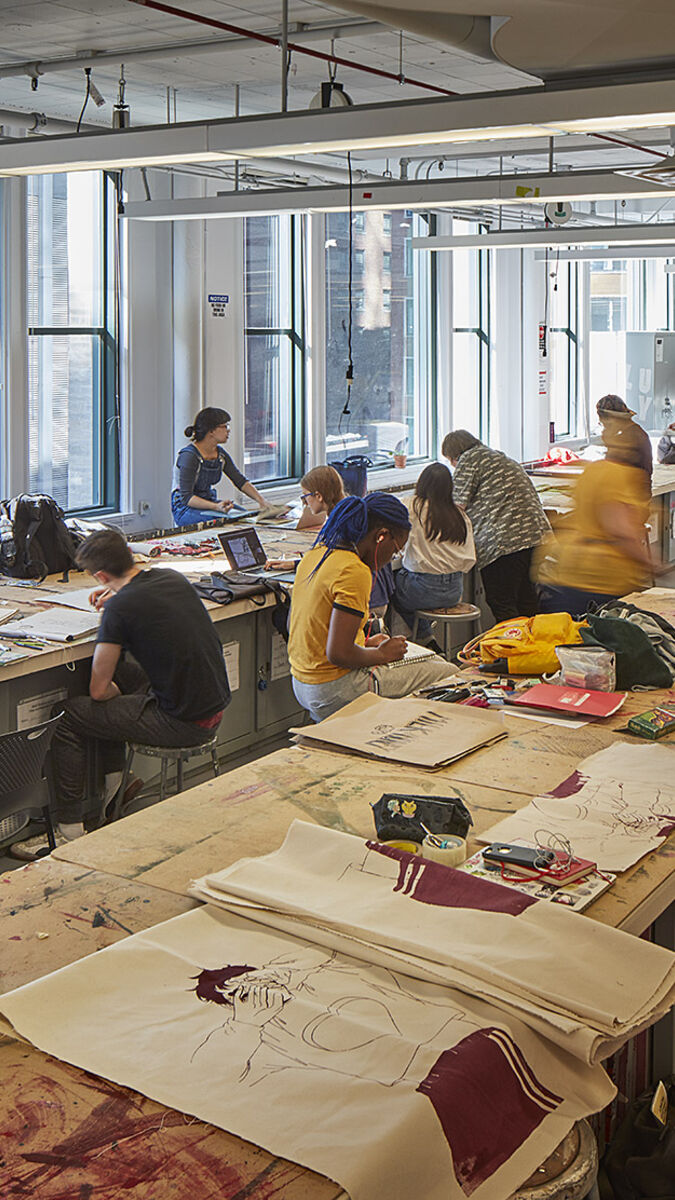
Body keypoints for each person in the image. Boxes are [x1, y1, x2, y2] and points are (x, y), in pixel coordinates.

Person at [12, 530, 231, 860]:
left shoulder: (120, 610)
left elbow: (99, 693)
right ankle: (117, 785)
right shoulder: (170, 577)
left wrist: (111, 684)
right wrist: (118, 597)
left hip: (184, 722)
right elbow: (144, 599)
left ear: (100, 576)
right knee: (119, 677)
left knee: (69, 714)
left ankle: (70, 830)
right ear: (129, 555)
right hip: (211, 703)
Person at [288, 493, 457, 723]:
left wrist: (363, 643)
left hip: (302, 684)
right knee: (450, 674)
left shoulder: (315, 555)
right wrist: (381, 654)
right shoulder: (354, 570)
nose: (392, 557)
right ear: (381, 537)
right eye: (396, 549)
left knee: (434, 662)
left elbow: (310, 631)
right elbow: (338, 653)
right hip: (334, 687)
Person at [537, 428, 655, 616]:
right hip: (598, 580)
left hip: (565, 570)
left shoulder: (594, 469)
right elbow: (620, 530)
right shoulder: (621, 476)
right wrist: (652, 564)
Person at [442, 430, 550, 623]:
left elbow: (456, 506)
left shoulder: (469, 459)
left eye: (451, 461)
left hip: (504, 542)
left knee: (503, 603)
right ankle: (534, 649)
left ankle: (512, 650)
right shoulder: (498, 457)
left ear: (455, 455)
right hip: (536, 536)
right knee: (527, 600)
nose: (453, 466)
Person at [393, 463, 477, 643]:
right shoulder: (459, 514)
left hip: (422, 588)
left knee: (391, 587)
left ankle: (423, 638)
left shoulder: (411, 506)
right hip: (454, 590)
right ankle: (426, 639)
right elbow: (469, 560)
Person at [172, 407, 266, 527]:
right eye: (225, 426)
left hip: (208, 501)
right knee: (225, 523)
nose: (228, 430)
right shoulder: (189, 456)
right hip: (185, 508)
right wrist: (216, 507)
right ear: (211, 430)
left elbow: (240, 481)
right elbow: (187, 498)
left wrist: (261, 501)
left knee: (244, 516)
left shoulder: (220, 454)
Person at [596, 394, 652, 485]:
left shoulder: (630, 437)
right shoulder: (631, 431)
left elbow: (613, 470)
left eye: (606, 424)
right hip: (631, 490)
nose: (605, 427)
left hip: (632, 493)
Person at [296, 465, 345, 531]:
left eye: (305, 496)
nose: (304, 503)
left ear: (318, 496)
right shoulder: (344, 514)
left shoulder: (339, 526)